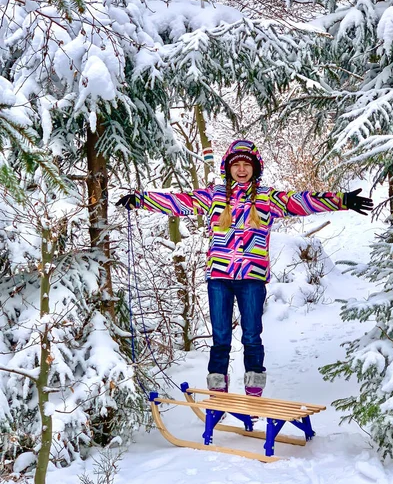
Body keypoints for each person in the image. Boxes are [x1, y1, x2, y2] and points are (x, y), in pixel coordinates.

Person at [116, 139, 373, 397]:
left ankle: (254, 390)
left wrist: (342, 200)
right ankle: (218, 391)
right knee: (221, 338)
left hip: (252, 278)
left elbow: (302, 201)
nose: (241, 169)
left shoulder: (267, 198)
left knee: (251, 335)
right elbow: (178, 202)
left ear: (255, 169)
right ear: (227, 168)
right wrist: (140, 200)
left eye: (246, 165)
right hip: (219, 277)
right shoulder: (214, 196)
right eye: (236, 164)